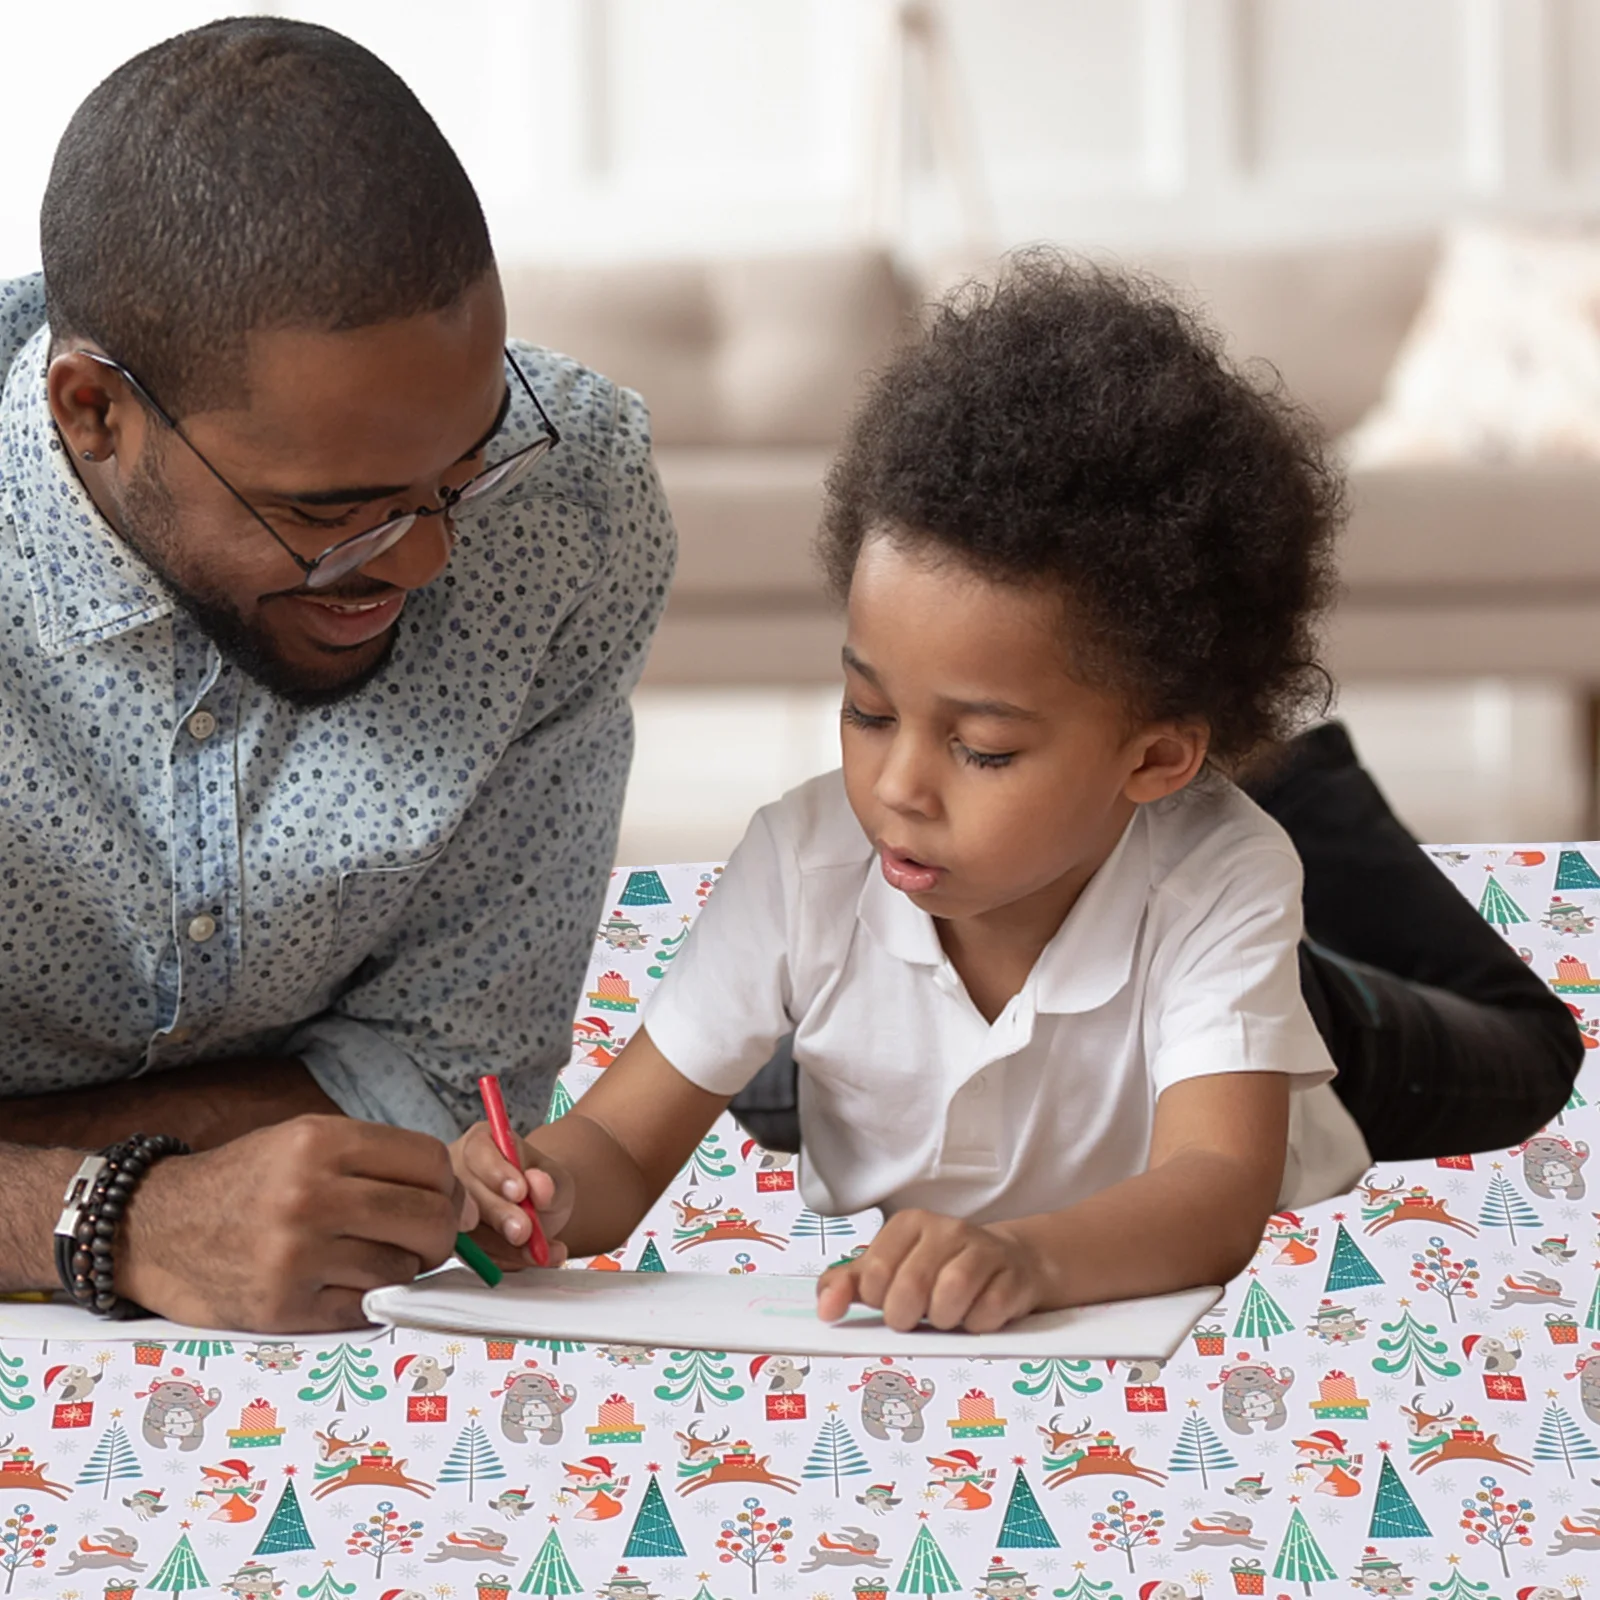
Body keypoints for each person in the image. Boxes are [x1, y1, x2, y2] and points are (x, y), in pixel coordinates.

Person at [451, 255, 1582, 1334]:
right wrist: (536, 1188)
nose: (897, 788)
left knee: (1534, 1058)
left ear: (1153, 760)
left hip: (1289, 1024)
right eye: (868, 711)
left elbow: (1213, 1189)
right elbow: (617, 1149)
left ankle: (1300, 782)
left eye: (982, 749)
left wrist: (1029, 1259)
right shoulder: (802, 858)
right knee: (780, 1075)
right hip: (908, 1044)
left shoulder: (1217, 876)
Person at [0, 19, 673, 1330]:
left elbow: (450, 1081)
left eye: (463, 471)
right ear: (94, 412)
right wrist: (114, 1214)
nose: (424, 557)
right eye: (331, 511)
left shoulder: (569, 508)